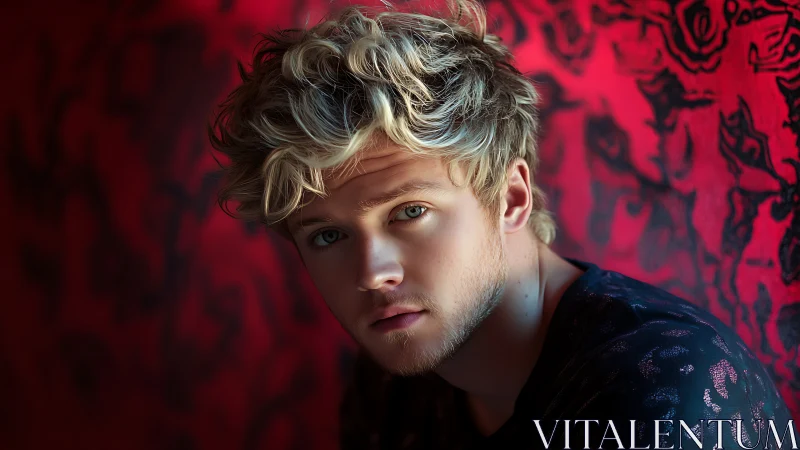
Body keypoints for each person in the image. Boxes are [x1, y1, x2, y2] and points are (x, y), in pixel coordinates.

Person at [207, 0, 797, 448]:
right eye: (327, 235)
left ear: (510, 197)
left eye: (410, 212)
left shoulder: (665, 392)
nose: (374, 273)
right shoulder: (391, 386)